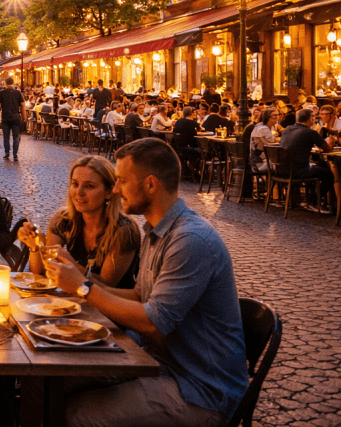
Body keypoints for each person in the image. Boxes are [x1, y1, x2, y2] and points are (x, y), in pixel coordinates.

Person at [45, 138, 248, 427]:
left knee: (78, 415)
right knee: (50, 381)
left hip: (201, 389)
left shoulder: (189, 239)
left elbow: (153, 321)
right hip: (157, 363)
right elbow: (141, 296)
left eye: (122, 181)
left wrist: (83, 287)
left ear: (150, 184)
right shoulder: (157, 230)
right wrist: (81, 283)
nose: (115, 189)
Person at [17, 155, 140, 288]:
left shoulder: (124, 230)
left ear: (109, 192)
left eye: (89, 186)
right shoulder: (64, 220)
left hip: (115, 306)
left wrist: (71, 264)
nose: (79, 192)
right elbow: (41, 272)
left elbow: (107, 286)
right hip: (76, 301)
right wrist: (35, 246)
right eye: (75, 184)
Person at [280, 108, 335, 214]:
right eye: (314, 116)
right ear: (311, 119)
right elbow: (328, 149)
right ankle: (312, 201)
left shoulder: (287, 129)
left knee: (317, 168)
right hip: (299, 171)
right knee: (329, 174)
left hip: (281, 169)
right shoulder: (310, 132)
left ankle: (306, 199)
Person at [0, 76, 26, 160]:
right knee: (15, 137)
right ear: (13, 83)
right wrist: (24, 117)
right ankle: (15, 154)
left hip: (5, 117)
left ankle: (7, 152)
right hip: (16, 118)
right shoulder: (18, 92)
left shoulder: (1, 93)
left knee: (6, 136)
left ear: (5, 83)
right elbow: (23, 106)